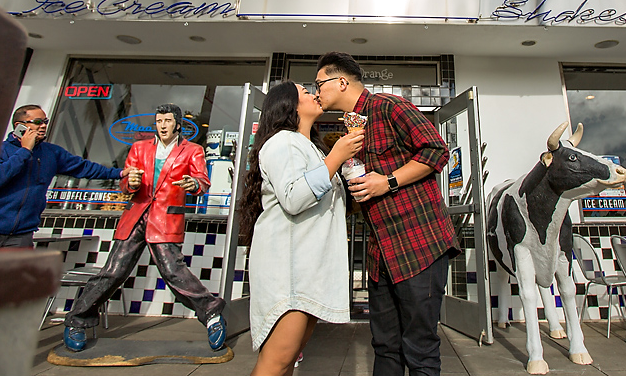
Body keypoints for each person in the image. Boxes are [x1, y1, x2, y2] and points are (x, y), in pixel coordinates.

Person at [314, 52, 461, 376]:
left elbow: (436, 150)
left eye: (319, 84)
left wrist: (389, 181)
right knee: (384, 347)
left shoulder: (388, 106)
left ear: (341, 82)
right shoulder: (349, 130)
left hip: (419, 247)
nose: (316, 92)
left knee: (420, 348)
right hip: (380, 256)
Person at [63, 104, 227, 353]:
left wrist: (192, 183)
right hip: (136, 215)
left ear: (177, 124)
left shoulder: (192, 150)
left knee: (173, 272)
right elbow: (125, 182)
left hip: (164, 219)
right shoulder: (139, 148)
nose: (162, 125)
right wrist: (131, 182)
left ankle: (212, 313)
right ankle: (77, 320)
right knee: (114, 271)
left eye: (167, 120)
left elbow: (203, 181)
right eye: (159, 120)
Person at [239, 81, 364, 376]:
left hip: (305, 270)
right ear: (289, 105)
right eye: (306, 92)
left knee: (289, 360)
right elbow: (294, 198)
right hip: (289, 271)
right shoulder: (283, 142)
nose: (314, 93)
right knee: (276, 362)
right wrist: (337, 156)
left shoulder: (307, 146)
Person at [0, 104, 133, 249]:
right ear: (19, 125)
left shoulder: (51, 153)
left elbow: (84, 167)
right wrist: (25, 150)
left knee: (14, 276)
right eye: (38, 122)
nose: (43, 126)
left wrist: (119, 173)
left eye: (45, 121)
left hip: (21, 236)